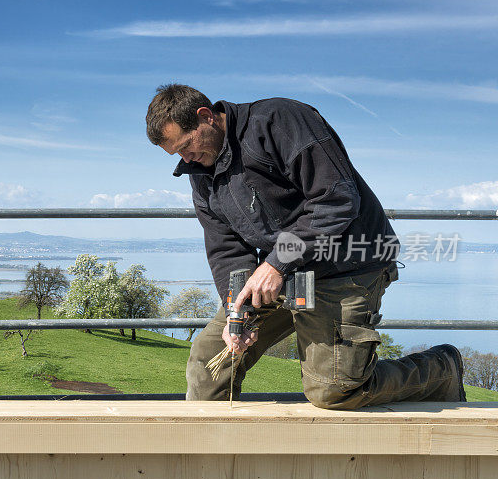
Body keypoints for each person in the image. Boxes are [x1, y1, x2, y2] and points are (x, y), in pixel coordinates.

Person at [145, 83, 466, 409]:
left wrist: (276, 263)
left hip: (343, 266)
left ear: (206, 117)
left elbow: (336, 199)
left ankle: (442, 369)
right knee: (209, 363)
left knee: (335, 390)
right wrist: (236, 312)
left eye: (187, 145)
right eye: (177, 154)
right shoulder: (201, 171)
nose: (186, 159)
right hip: (285, 273)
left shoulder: (277, 121)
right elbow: (226, 248)